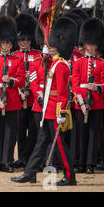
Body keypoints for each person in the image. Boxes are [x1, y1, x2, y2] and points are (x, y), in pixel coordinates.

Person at [12, 17, 78, 186]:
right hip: (47, 109)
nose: (46, 47)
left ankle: (70, 176)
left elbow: (63, 92)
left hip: (55, 111)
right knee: (41, 143)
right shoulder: (54, 64)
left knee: (61, 147)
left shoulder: (61, 65)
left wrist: (61, 112)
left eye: (49, 44)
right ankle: (29, 172)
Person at [0, 15, 25, 173]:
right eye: (3, 42)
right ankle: (0, 161)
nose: (6, 45)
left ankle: (8, 160)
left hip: (13, 101)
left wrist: (11, 81)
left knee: (11, 133)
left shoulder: (17, 60)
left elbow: (22, 80)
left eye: (8, 42)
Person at [72, 18, 104, 174]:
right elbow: (75, 84)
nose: (92, 47)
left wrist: (97, 87)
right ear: (84, 44)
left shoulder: (102, 63)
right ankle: (80, 162)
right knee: (81, 133)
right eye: (89, 44)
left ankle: (90, 164)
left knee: (94, 134)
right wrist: (81, 102)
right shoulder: (79, 62)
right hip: (80, 103)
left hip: (97, 103)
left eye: (94, 44)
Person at [12, 14, 42, 168]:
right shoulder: (14, 56)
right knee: (20, 130)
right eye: (21, 40)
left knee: (33, 130)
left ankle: (29, 157)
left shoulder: (37, 56)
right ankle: (21, 157)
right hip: (18, 99)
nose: (24, 42)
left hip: (34, 98)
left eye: (26, 39)